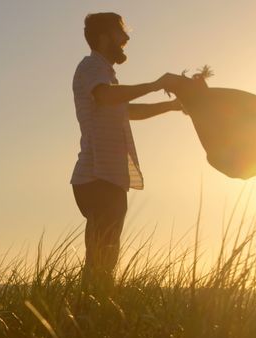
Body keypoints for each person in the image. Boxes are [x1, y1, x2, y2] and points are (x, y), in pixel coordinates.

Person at [70, 12, 186, 288]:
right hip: (98, 178)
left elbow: (126, 110)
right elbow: (106, 97)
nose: (126, 38)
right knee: (101, 264)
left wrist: (169, 106)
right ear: (103, 36)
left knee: (103, 262)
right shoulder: (90, 67)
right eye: (120, 32)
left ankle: (88, 319)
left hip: (106, 179)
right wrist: (156, 84)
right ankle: (86, 322)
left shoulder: (104, 75)